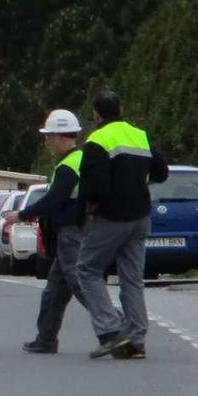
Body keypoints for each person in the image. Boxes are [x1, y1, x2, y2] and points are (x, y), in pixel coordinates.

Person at [77, 91, 168, 359]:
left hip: (112, 217)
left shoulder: (97, 140)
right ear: (121, 109)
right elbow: (161, 172)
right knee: (132, 278)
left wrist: (92, 209)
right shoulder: (139, 135)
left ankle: (111, 331)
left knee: (87, 269)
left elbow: (94, 185)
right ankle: (137, 340)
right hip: (141, 216)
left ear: (96, 114)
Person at [4, 109, 88, 354]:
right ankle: (46, 337)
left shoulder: (68, 165)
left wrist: (22, 214)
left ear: (62, 136)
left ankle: (115, 327)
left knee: (80, 283)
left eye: (49, 136)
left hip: (71, 233)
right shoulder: (78, 160)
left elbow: (54, 200)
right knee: (55, 290)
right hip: (72, 232)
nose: (47, 141)